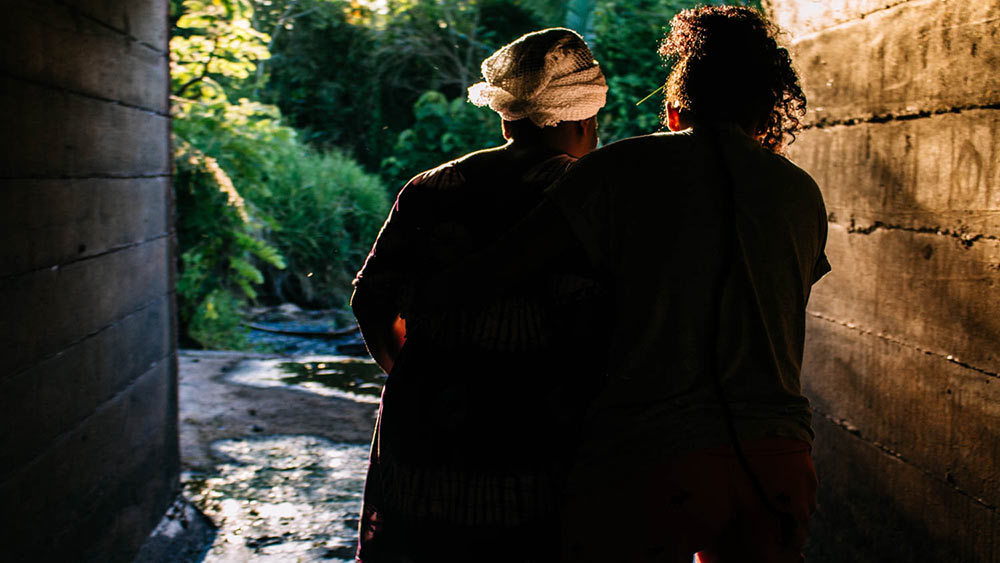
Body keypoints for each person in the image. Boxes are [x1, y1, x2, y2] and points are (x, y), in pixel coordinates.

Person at [418, 6, 830, 562]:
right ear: (766, 111)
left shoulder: (618, 169)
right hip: (777, 458)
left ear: (678, 108)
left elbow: (502, 269)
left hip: (653, 452)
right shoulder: (800, 193)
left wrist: (426, 285)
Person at [351, 28, 610, 563]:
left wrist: (420, 373)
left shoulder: (431, 186)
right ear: (585, 119)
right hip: (537, 445)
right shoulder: (592, 197)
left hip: (422, 435)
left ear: (504, 113)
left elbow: (370, 299)